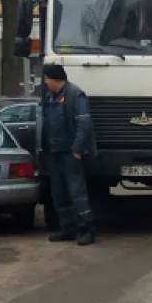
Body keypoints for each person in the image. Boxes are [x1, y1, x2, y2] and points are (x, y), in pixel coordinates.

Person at [40, 64, 98, 246]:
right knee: (59, 194)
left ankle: (86, 229)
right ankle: (68, 228)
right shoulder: (50, 97)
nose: (45, 82)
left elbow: (83, 125)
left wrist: (77, 150)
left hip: (70, 154)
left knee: (76, 193)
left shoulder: (75, 95)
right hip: (54, 153)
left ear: (56, 79)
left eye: (47, 78)